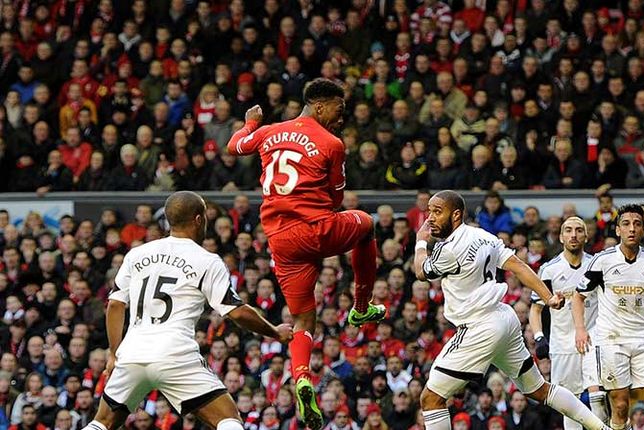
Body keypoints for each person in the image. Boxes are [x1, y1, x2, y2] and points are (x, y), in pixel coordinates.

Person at [226, 79, 386, 429]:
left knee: (302, 322)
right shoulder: (332, 143)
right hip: (315, 229)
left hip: (280, 240)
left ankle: (301, 377)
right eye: (338, 110)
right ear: (319, 105)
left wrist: (252, 121)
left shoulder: (269, 131)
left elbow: (235, 144)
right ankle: (361, 309)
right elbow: (336, 201)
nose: (341, 118)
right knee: (366, 224)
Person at [82, 191, 293, 430]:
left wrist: (113, 353)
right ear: (199, 219)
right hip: (175, 353)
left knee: (101, 423)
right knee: (227, 419)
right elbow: (236, 311)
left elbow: (116, 305)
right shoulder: (207, 260)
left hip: (131, 354)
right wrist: (275, 332)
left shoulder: (137, 254)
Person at [412, 190, 609, 430]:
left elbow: (421, 271)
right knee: (539, 390)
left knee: (431, 398)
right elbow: (517, 265)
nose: (430, 217)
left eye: (437, 211)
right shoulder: (483, 236)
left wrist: (420, 241)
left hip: (478, 327)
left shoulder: (449, 249)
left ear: (456, 215)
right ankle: (602, 429)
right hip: (504, 318)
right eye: (429, 211)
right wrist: (547, 297)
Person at [573, 204, 644, 430]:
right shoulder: (603, 260)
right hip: (611, 339)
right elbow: (578, 297)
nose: (632, 229)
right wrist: (580, 329)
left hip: (642, 338)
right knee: (619, 406)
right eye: (626, 224)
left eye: (637, 224)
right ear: (617, 230)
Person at [528, 216, 608, 429]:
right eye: (569, 230)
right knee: (569, 404)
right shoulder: (549, 269)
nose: (574, 235)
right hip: (563, 344)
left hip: (593, 339)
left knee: (598, 395)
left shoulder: (597, 265)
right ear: (561, 237)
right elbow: (535, 310)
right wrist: (539, 337)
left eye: (579, 230)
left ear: (586, 235)